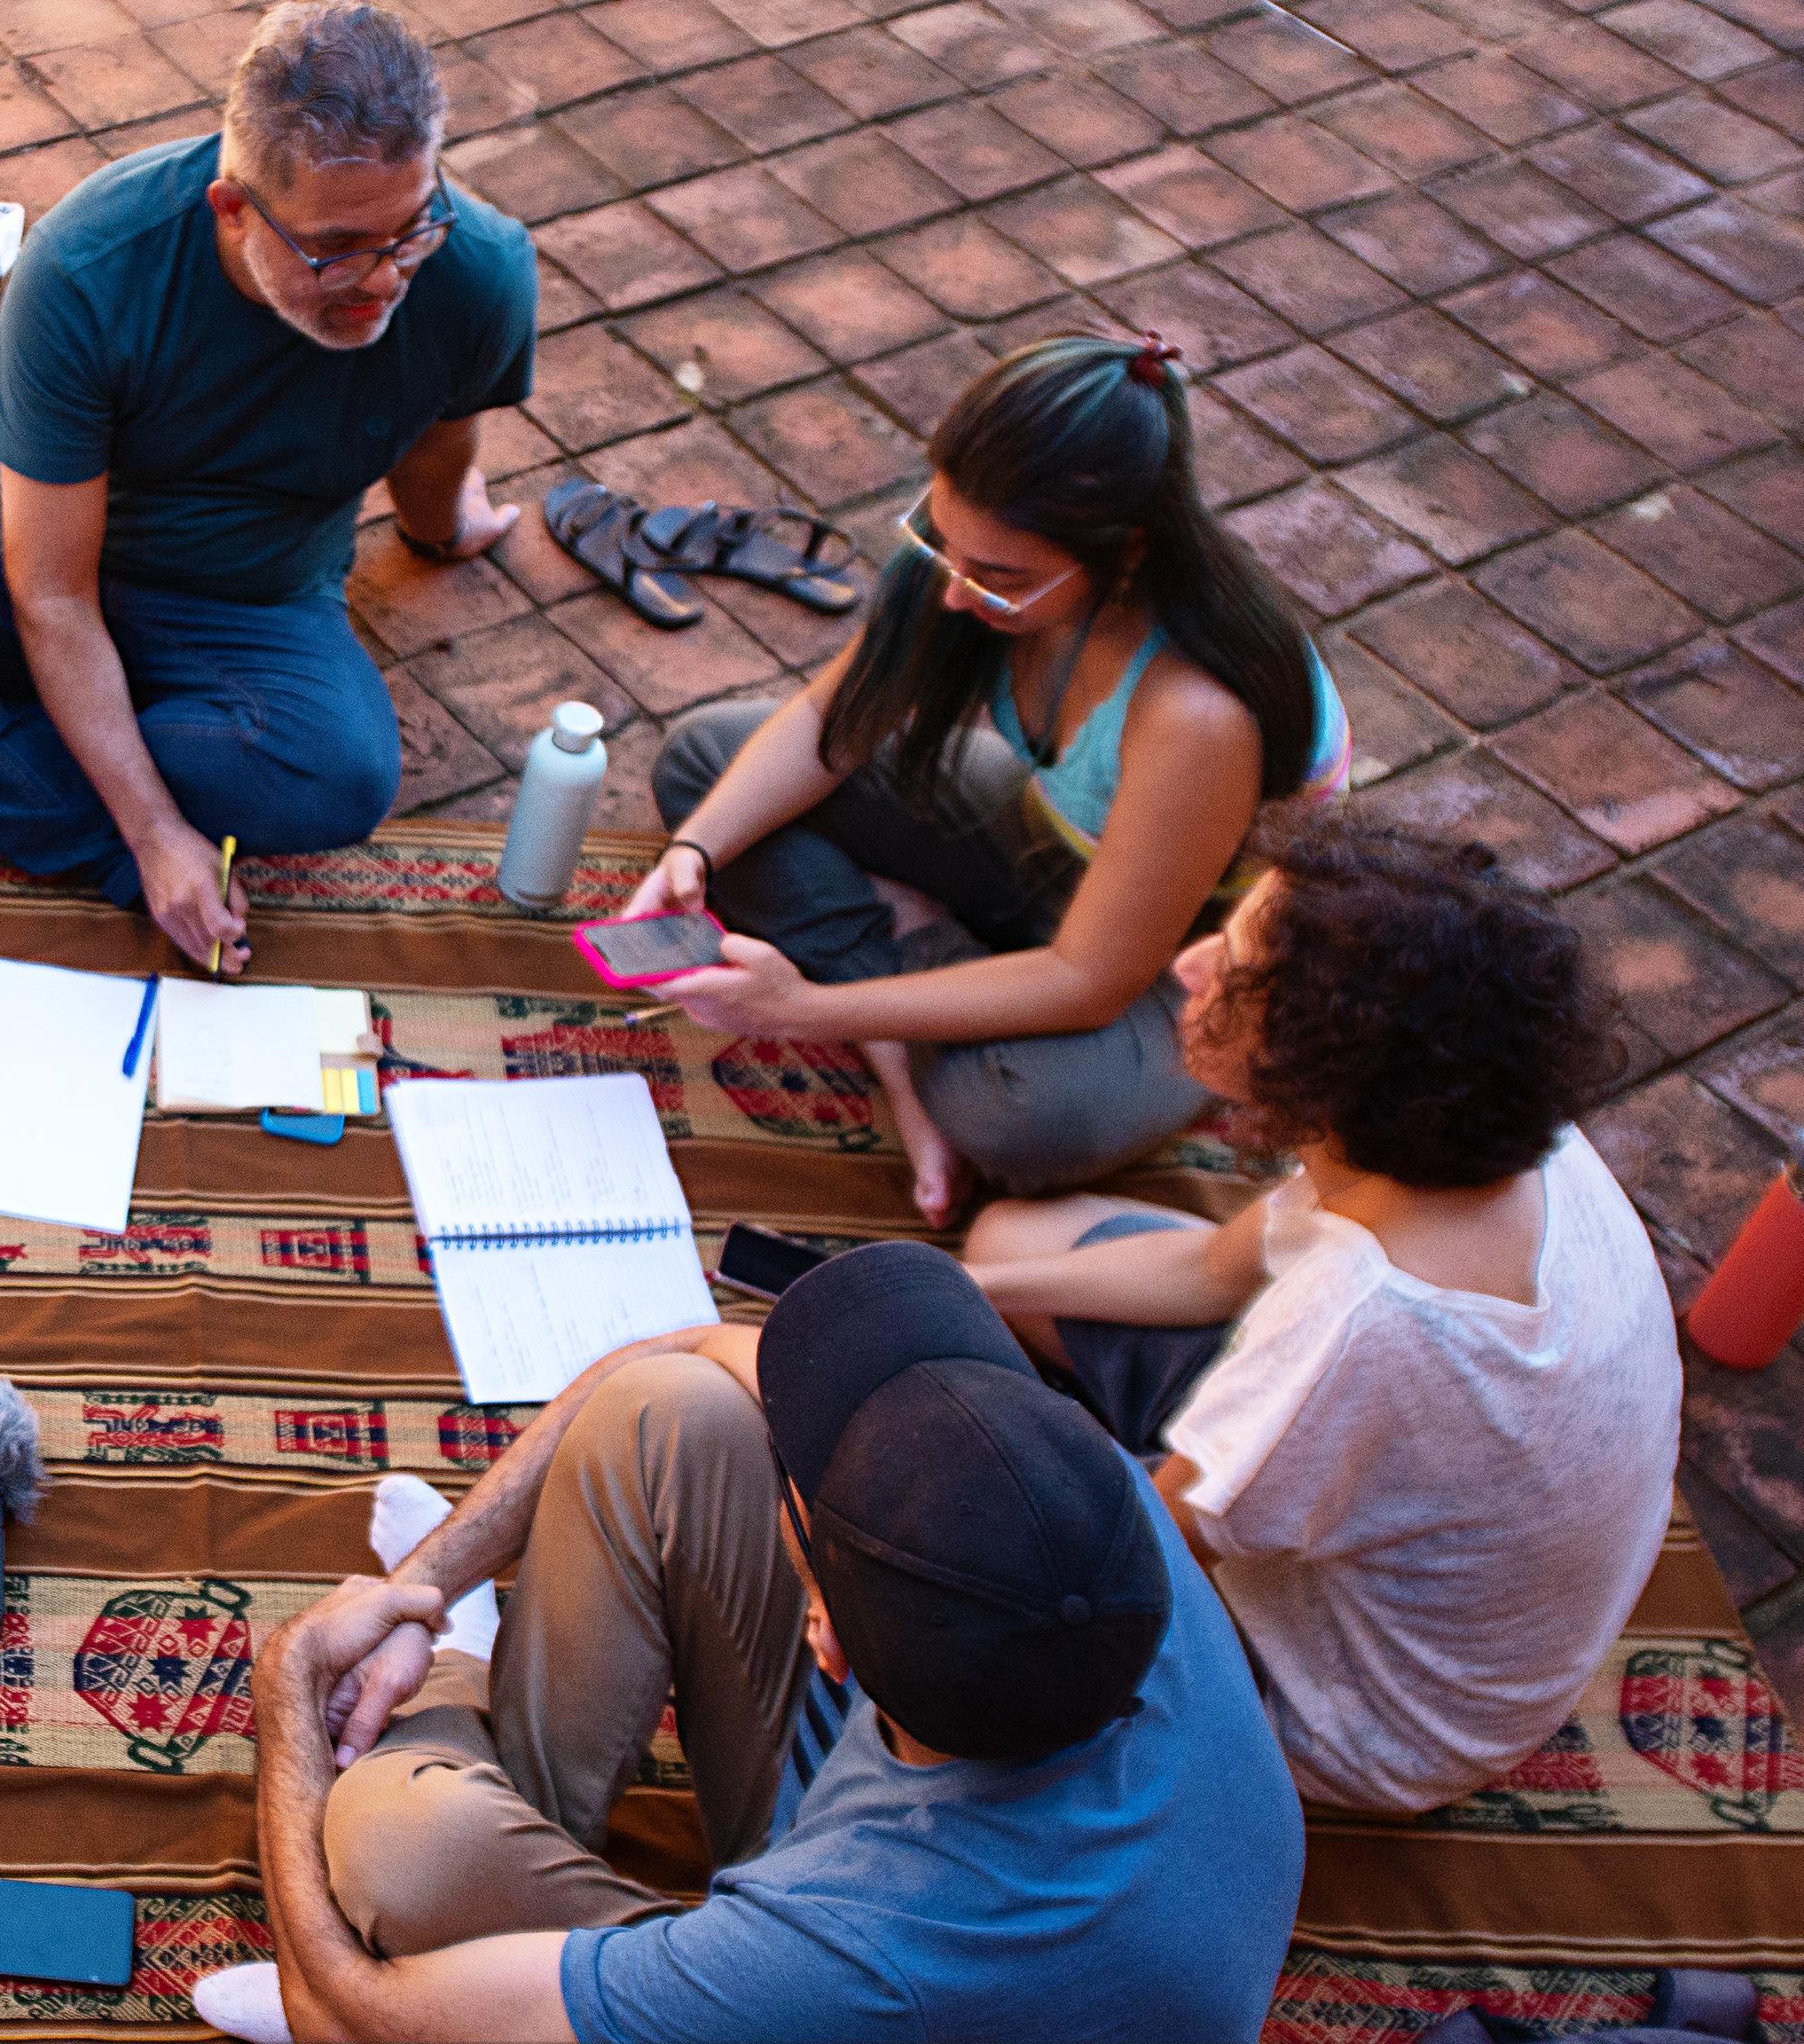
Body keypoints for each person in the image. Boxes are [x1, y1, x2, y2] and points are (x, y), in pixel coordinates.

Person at [210, 1241, 1301, 2043]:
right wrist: (420, 1586)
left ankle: (464, 1722)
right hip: (926, 1874)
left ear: (823, 1634)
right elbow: (685, 1346)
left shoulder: (871, 1943)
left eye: (804, 1478)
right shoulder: (1070, 1504)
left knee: (400, 1848)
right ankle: (479, 1717)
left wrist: (289, 1687)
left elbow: (338, 2012)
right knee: (666, 1409)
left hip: (852, 1984)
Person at [0, 0, 538, 974]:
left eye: (409, 231)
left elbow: (435, 456)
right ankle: (102, 829)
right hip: (60, 560)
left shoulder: (479, 270)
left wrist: (450, 528)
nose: (382, 281)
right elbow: (52, 593)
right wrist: (152, 837)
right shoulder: (86, 267)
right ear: (233, 207)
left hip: (255, 603)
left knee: (339, 781)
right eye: (336, 249)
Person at [963, 821, 1675, 1814]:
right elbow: (1212, 1273)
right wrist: (965, 1294)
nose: (1188, 964)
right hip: (1416, 1555)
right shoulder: (1475, 1134)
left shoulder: (1363, 1325)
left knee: (952, 1546)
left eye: (1237, 972)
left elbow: (1131, 1555)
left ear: (1320, 1063)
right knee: (1005, 1244)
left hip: (1346, 1724)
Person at [634, 334, 1352, 1226]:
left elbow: (1091, 977)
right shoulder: (973, 549)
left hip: (1187, 950)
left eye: (996, 579)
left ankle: (902, 986)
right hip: (1055, 834)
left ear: (1124, 555)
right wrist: (693, 851)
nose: (951, 594)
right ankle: (908, 1023)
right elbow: (831, 722)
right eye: (940, 546)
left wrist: (804, 1010)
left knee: (1015, 1121)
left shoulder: (1196, 712)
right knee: (709, 764)